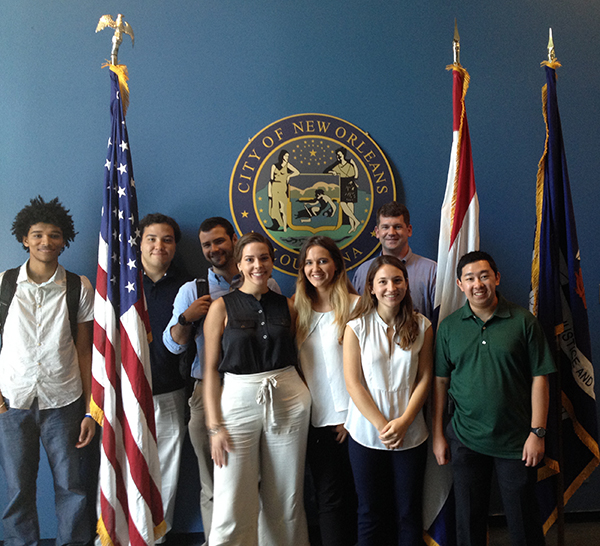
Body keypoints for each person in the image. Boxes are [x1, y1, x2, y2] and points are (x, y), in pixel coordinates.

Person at [163, 217, 280, 543]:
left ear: (233, 240)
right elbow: (172, 344)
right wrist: (188, 318)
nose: (214, 249)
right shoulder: (193, 290)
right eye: (206, 245)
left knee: (259, 479)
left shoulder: (269, 285)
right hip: (206, 394)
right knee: (213, 483)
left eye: (219, 241)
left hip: (253, 393)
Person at [432, 251, 555, 546]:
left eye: (484, 276)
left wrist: (537, 433)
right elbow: (440, 382)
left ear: (497, 278)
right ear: (460, 284)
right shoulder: (449, 327)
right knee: (468, 520)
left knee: (524, 520)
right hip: (465, 438)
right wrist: (438, 434)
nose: (478, 284)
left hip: (517, 440)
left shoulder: (524, 322)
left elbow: (541, 377)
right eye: (470, 278)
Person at [204, 232, 311, 546]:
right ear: (239, 264)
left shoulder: (288, 306)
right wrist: (214, 427)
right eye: (250, 259)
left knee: (286, 495)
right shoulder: (220, 308)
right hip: (237, 400)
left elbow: (301, 356)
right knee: (233, 493)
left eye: (264, 258)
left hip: (288, 399)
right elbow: (210, 371)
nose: (258, 265)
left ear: (273, 262)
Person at [0, 196, 95, 545]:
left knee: (72, 486)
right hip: (12, 402)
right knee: (17, 489)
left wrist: (89, 409)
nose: (46, 242)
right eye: (37, 234)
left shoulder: (78, 287)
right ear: (24, 238)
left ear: (64, 240)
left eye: (54, 235)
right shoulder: (3, 285)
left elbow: (85, 351)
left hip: (65, 401)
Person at [344, 256, 433, 545]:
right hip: (366, 433)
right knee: (370, 511)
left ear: (406, 284)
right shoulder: (356, 327)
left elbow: (425, 378)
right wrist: (383, 425)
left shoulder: (423, 326)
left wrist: (404, 421)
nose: (390, 287)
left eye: (397, 280)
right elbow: (353, 382)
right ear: (370, 287)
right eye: (382, 281)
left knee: (408, 511)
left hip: (411, 433)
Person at [294, 235, 358, 546]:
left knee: (358, 494)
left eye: (322, 260)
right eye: (308, 262)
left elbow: (369, 370)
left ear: (336, 265)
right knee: (326, 497)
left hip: (354, 420)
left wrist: (349, 415)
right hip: (314, 420)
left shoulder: (358, 306)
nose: (315, 268)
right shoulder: (296, 310)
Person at [140, 213, 191, 541]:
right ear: (140, 243)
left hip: (171, 392)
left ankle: (157, 538)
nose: (160, 245)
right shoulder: (120, 286)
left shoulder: (187, 286)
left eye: (167, 240)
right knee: (124, 466)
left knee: (166, 474)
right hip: (126, 393)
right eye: (152, 239)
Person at [351, 201, 437, 323]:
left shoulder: (431, 271)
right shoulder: (363, 272)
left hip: (418, 340)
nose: (391, 233)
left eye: (397, 227)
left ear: (409, 230)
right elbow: (358, 315)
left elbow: (440, 318)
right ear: (377, 232)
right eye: (385, 227)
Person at [325, 147, 360, 233]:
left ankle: (353, 226)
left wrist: (354, 164)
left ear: (343, 155)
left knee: (351, 207)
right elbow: (326, 171)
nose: (338, 157)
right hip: (342, 186)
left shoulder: (349, 165)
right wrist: (333, 172)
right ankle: (356, 221)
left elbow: (356, 176)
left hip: (350, 186)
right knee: (343, 204)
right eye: (337, 156)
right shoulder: (337, 166)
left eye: (339, 155)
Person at [269, 149, 300, 232]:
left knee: (284, 209)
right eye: (286, 156)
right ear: (282, 156)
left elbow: (297, 172)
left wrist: (289, 176)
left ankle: (285, 227)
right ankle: (278, 224)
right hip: (275, 188)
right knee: (275, 208)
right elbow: (271, 180)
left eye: (288, 156)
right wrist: (270, 193)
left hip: (283, 189)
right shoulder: (274, 166)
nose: (287, 158)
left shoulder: (287, 165)